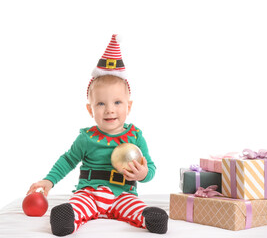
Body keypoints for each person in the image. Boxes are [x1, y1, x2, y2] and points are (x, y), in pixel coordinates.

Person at [27, 34, 168, 236]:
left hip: (123, 193)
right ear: (90, 109)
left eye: (117, 103)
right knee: (79, 204)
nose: (109, 110)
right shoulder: (87, 137)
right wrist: (49, 181)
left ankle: (149, 218)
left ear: (128, 106)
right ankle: (68, 218)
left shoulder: (135, 136)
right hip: (90, 192)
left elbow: (151, 168)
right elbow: (68, 160)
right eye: (101, 104)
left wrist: (142, 174)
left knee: (133, 206)